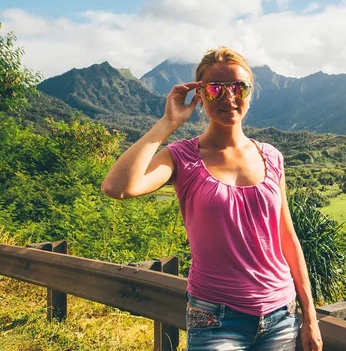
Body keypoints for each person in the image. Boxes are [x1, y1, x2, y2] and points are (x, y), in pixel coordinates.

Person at [101, 47, 323, 351]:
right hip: (216, 317)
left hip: (280, 314)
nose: (228, 97)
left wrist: (309, 315)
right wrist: (168, 122)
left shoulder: (271, 157)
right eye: (216, 89)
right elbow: (118, 187)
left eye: (238, 87)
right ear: (200, 96)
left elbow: (287, 237)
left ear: (249, 93)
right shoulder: (182, 158)